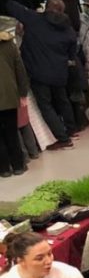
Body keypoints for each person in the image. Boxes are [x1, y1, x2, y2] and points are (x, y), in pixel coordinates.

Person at [6, 0, 77, 150]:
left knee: (46, 106)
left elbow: (11, 5)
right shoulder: (68, 29)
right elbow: (72, 55)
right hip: (60, 73)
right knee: (63, 100)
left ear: (46, 8)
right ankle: (71, 130)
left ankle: (63, 138)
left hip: (39, 73)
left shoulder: (34, 19)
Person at [0, 29, 29, 177]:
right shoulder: (8, 44)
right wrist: (23, 93)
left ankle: (4, 169)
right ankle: (18, 165)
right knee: (11, 131)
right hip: (9, 95)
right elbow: (20, 70)